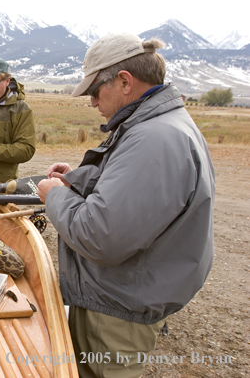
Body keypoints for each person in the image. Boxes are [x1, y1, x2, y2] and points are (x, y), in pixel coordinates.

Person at [37, 33, 215, 378]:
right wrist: (77, 180)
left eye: (94, 91)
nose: (92, 102)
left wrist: (53, 195)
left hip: (117, 310)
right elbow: (134, 196)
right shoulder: (159, 127)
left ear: (124, 82)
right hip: (120, 297)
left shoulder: (155, 139)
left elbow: (100, 236)